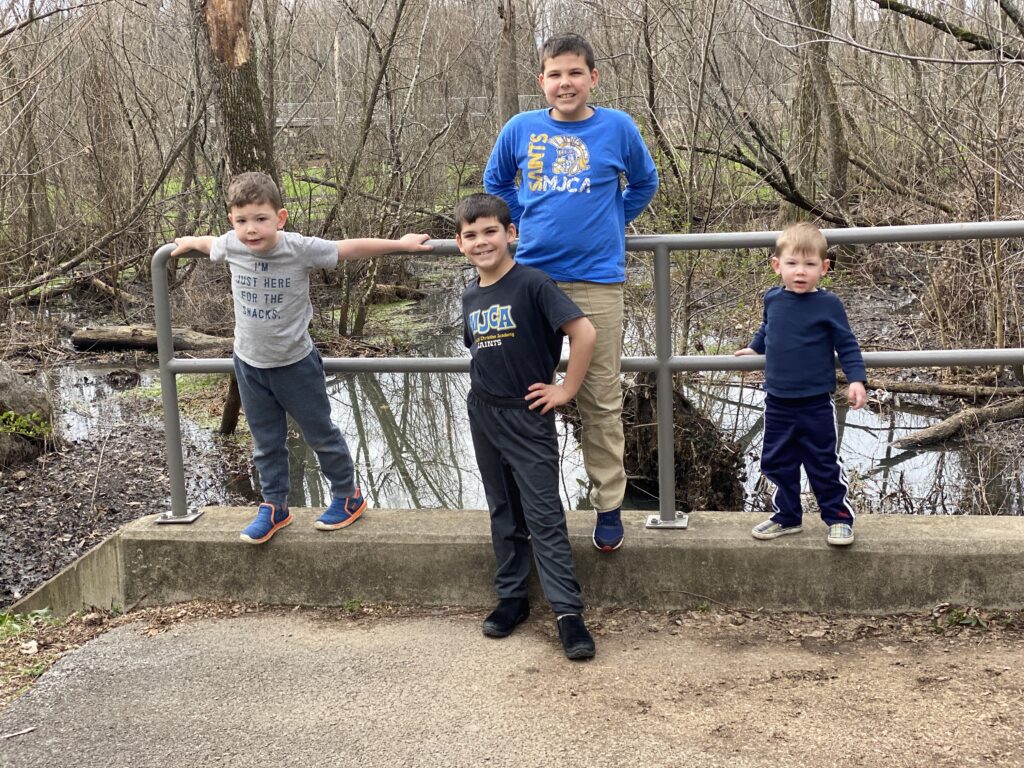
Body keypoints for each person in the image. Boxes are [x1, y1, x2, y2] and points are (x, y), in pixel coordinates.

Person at [171, 171, 431, 544]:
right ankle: (275, 505)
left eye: (261, 219)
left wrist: (400, 245)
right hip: (249, 365)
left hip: (295, 364)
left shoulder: (298, 248)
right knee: (265, 442)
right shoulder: (231, 243)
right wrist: (188, 241)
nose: (251, 229)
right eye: (242, 221)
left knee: (320, 434)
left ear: (280, 218)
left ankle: (347, 495)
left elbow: (348, 248)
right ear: (232, 221)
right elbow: (209, 241)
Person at [484, 32, 659, 553]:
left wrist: (611, 221)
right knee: (525, 394)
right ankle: (533, 502)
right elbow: (498, 186)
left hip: (597, 280)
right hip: (531, 280)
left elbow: (643, 185)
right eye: (555, 74)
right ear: (542, 82)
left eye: (575, 73)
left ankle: (608, 507)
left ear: (592, 79)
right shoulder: (520, 129)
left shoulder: (618, 128)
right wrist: (527, 224)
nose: (565, 83)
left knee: (599, 398)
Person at [456, 193, 597, 660]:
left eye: (490, 231)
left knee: (543, 513)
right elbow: (479, 350)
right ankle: (512, 598)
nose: (482, 241)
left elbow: (584, 332)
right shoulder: (470, 295)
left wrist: (566, 390)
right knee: (503, 510)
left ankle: (567, 612)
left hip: (527, 415)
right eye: (471, 235)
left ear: (510, 233)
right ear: (460, 244)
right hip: (484, 412)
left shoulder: (533, 283)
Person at [734, 222, 867, 547]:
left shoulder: (828, 304)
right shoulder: (773, 299)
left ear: (824, 268)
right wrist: (754, 348)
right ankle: (787, 516)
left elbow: (847, 345)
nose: (800, 272)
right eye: (792, 264)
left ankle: (838, 518)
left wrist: (856, 380)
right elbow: (768, 329)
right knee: (777, 461)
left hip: (815, 402)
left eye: (809, 265)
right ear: (777, 266)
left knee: (822, 462)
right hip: (777, 401)